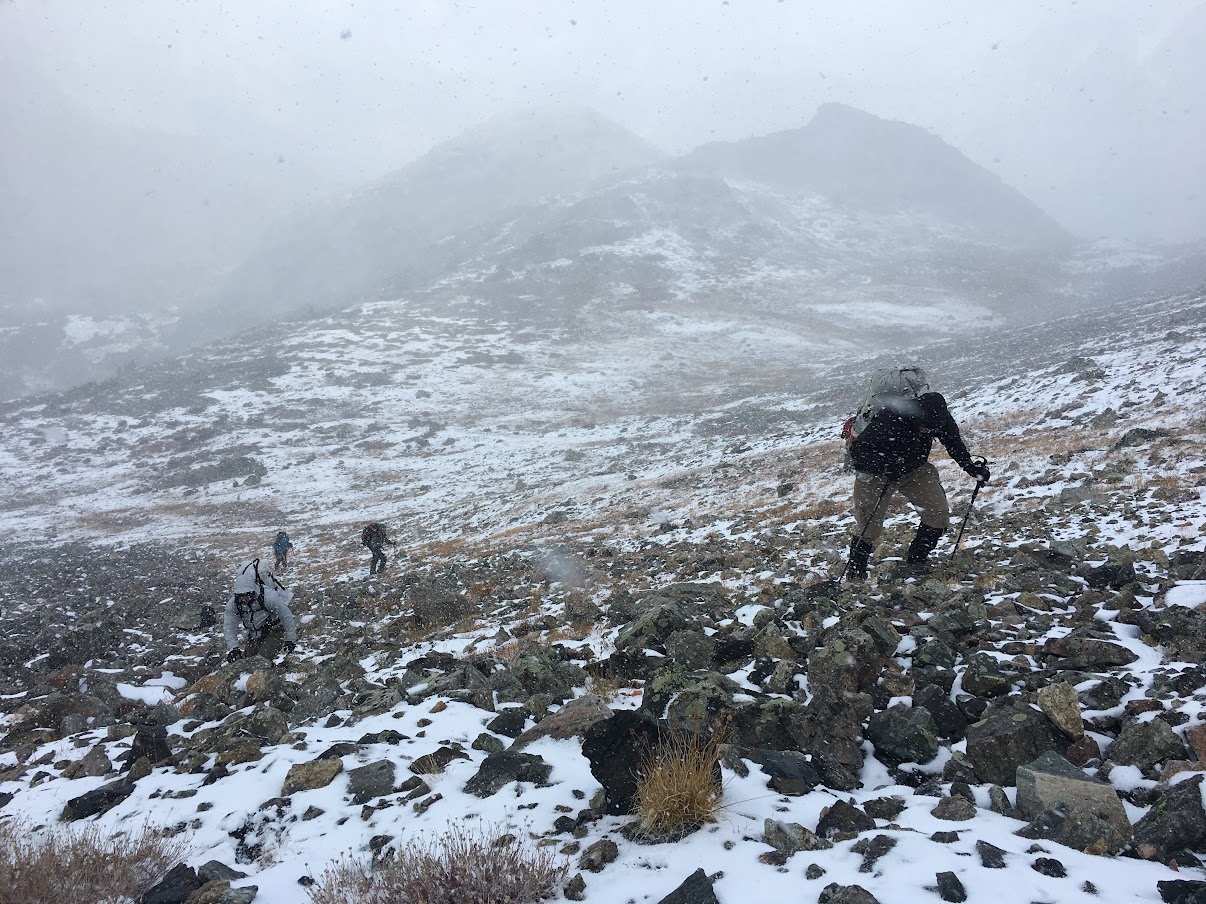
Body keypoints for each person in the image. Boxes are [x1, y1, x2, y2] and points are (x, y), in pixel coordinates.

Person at [844, 365, 990, 580]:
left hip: (915, 469)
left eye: (930, 430)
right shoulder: (891, 417)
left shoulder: (939, 416)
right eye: (923, 427)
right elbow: (859, 451)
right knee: (869, 526)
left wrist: (970, 467)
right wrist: (886, 466)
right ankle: (856, 573)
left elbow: (953, 442)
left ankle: (917, 559)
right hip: (874, 475)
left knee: (938, 514)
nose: (926, 432)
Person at [224, 559, 298, 661]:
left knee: (261, 660)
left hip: (274, 630)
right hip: (254, 635)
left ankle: (270, 673)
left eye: (247, 594)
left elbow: (286, 616)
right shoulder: (233, 605)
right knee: (246, 664)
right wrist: (233, 648)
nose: (244, 598)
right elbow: (229, 627)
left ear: (253, 591)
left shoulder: (269, 597)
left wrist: (290, 640)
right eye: (241, 596)